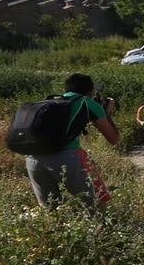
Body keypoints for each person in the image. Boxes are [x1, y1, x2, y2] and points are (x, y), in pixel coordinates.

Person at [25, 73, 119, 207]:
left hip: (33, 159)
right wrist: (106, 112)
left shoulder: (51, 102)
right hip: (67, 157)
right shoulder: (87, 102)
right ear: (90, 90)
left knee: (51, 209)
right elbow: (114, 139)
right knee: (97, 205)